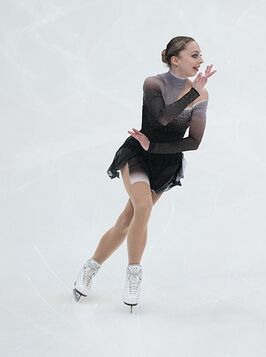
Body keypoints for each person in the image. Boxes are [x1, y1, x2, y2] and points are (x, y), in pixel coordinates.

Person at [73, 36, 216, 311]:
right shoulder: (154, 83)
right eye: (194, 55)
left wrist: (158, 145)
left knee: (126, 221)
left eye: (200, 55)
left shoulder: (202, 95)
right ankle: (134, 273)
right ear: (176, 60)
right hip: (138, 154)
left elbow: (194, 142)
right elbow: (161, 117)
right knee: (142, 206)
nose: (200, 61)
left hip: (165, 161)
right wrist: (192, 94)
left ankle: (91, 266)